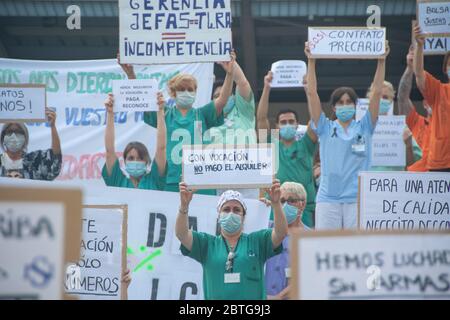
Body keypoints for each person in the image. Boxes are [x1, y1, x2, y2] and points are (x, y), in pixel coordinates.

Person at [305, 41, 389, 230]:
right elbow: (311, 93)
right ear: (334, 107)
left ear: (356, 106)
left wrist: (381, 61)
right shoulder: (324, 126)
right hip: (328, 199)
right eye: (340, 102)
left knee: (356, 248)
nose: (345, 105)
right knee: (326, 249)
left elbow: (376, 92)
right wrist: (311, 61)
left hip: (357, 199)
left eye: (349, 102)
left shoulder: (365, 126)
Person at [138, 54, 236, 195]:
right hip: (171, 180)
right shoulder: (164, 113)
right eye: (182, 89)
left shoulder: (202, 113)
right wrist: (130, 74)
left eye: (190, 90)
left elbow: (223, 99)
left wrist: (230, 73)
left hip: (201, 180)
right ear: (173, 93)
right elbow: (142, 98)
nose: (186, 92)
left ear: (196, 93)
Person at [175, 180, 288, 300]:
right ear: (219, 216)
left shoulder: (257, 241)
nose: (231, 213)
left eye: (237, 210)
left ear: (243, 217)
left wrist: (276, 204)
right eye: (226, 209)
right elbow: (182, 234)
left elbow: (281, 233)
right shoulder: (207, 244)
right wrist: (184, 206)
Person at [257, 71, 317, 228]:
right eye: (283, 122)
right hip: (277, 204)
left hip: (305, 206)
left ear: (297, 124)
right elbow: (261, 119)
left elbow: (316, 119)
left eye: (291, 121)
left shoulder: (306, 144)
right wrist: (266, 87)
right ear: (276, 126)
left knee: (304, 246)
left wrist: (307, 88)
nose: (287, 124)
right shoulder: (271, 144)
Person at [206, 56, 258, 199]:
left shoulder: (243, 112)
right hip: (219, 183)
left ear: (234, 97)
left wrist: (232, 66)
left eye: (227, 94)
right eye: (217, 96)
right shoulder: (208, 121)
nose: (222, 97)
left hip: (248, 181)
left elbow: (242, 83)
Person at [102, 92, 167, 190]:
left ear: (147, 161)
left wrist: (160, 111)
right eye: (131, 158)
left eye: (140, 158)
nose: (135, 161)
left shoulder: (155, 179)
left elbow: (161, 148)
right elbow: (109, 150)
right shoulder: (117, 180)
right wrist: (110, 114)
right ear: (124, 161)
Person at [413, 23, 450, 172]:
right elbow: (419, 74)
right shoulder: (439, 90)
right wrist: (420, 46)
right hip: (440, 162)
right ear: (445, 69)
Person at [264, 182, 308, 300]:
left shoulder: (310, 237)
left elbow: (309, 275)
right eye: (282, 200)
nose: (285, 205)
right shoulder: (265, 229)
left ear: (302, 204)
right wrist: (259, 210)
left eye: (291, 200)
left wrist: (279, 297)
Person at [367, 79, 422, 171]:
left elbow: (411, 163)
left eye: (385, 97)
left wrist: (408, 145)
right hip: (366, 183)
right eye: (377, 96)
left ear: (391, 100)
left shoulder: (400, 127)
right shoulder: (360, 127)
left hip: (394, 183)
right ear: (369, 98)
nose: (380, 100)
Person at [0, 107, 62, 180]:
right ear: (3, 137)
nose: (14, 136)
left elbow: (54, 159)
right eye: (10, 132)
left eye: (18, 132)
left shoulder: (34, 161)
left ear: (25, 138)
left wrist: (52, 126)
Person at [397, 44, 431, 172]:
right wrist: (410, 68)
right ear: (425, 103)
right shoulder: (417, 122)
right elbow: (402, 98)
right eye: (432, 99)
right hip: (415, 184)